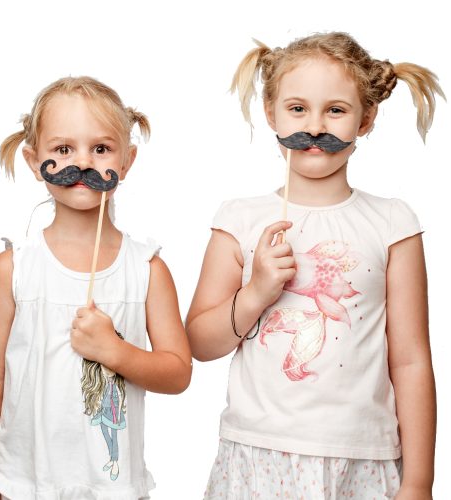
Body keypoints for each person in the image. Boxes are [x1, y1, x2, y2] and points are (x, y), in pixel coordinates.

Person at [186, 32, 444, 499]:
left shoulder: (393, 223)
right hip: (257, 454)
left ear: (366, 119)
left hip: (363, 458)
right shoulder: (239, 220)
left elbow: (409, 359)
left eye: (336, 110)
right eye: (298, 108)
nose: (316, 125)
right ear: (271, 112)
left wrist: (420, 482)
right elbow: (199, 344)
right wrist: (256, 292)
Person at [0, 76, 192, 500]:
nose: (83, 162)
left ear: (126, 162)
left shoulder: (147, 270)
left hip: (114, 488)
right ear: (35, 161)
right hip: (25, 484)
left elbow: (178, 373)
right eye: (63, 149)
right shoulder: (13, 268)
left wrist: (114, 350)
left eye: (101, 149)